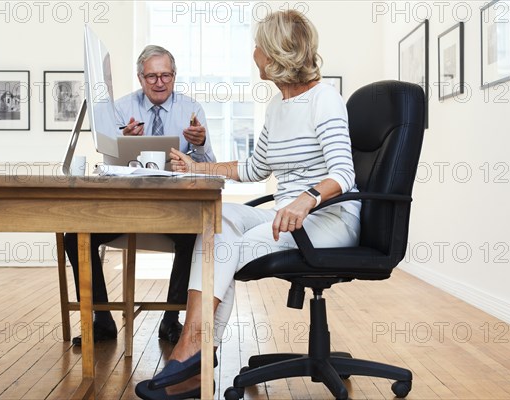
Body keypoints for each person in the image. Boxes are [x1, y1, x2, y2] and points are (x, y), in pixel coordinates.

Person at [135, 10, 361, 399]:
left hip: (328, 220)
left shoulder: (325, 100)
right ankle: (196, 351)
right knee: (215, 220)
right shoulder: (278, 106)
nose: (253, 52)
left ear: (276, 54)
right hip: (286, 216)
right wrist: (198, 165)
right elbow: (256, 168)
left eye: (258, 45)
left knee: (232, 244)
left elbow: (344, 174)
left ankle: (193, 356)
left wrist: (307, 199)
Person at [64, 45, 216, 346]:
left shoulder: (191, 110)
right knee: (74, 237)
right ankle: (102, 319)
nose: (159, 83)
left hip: (172, 210)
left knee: (196, 237)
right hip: (125, 208)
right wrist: (121, 145)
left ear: (174, 76)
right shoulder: (120, 108)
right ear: (140, 77)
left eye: (166, 75)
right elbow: (108, 165)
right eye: (151, 76)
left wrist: (199, 146)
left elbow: (209, 164)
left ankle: (171, 321)